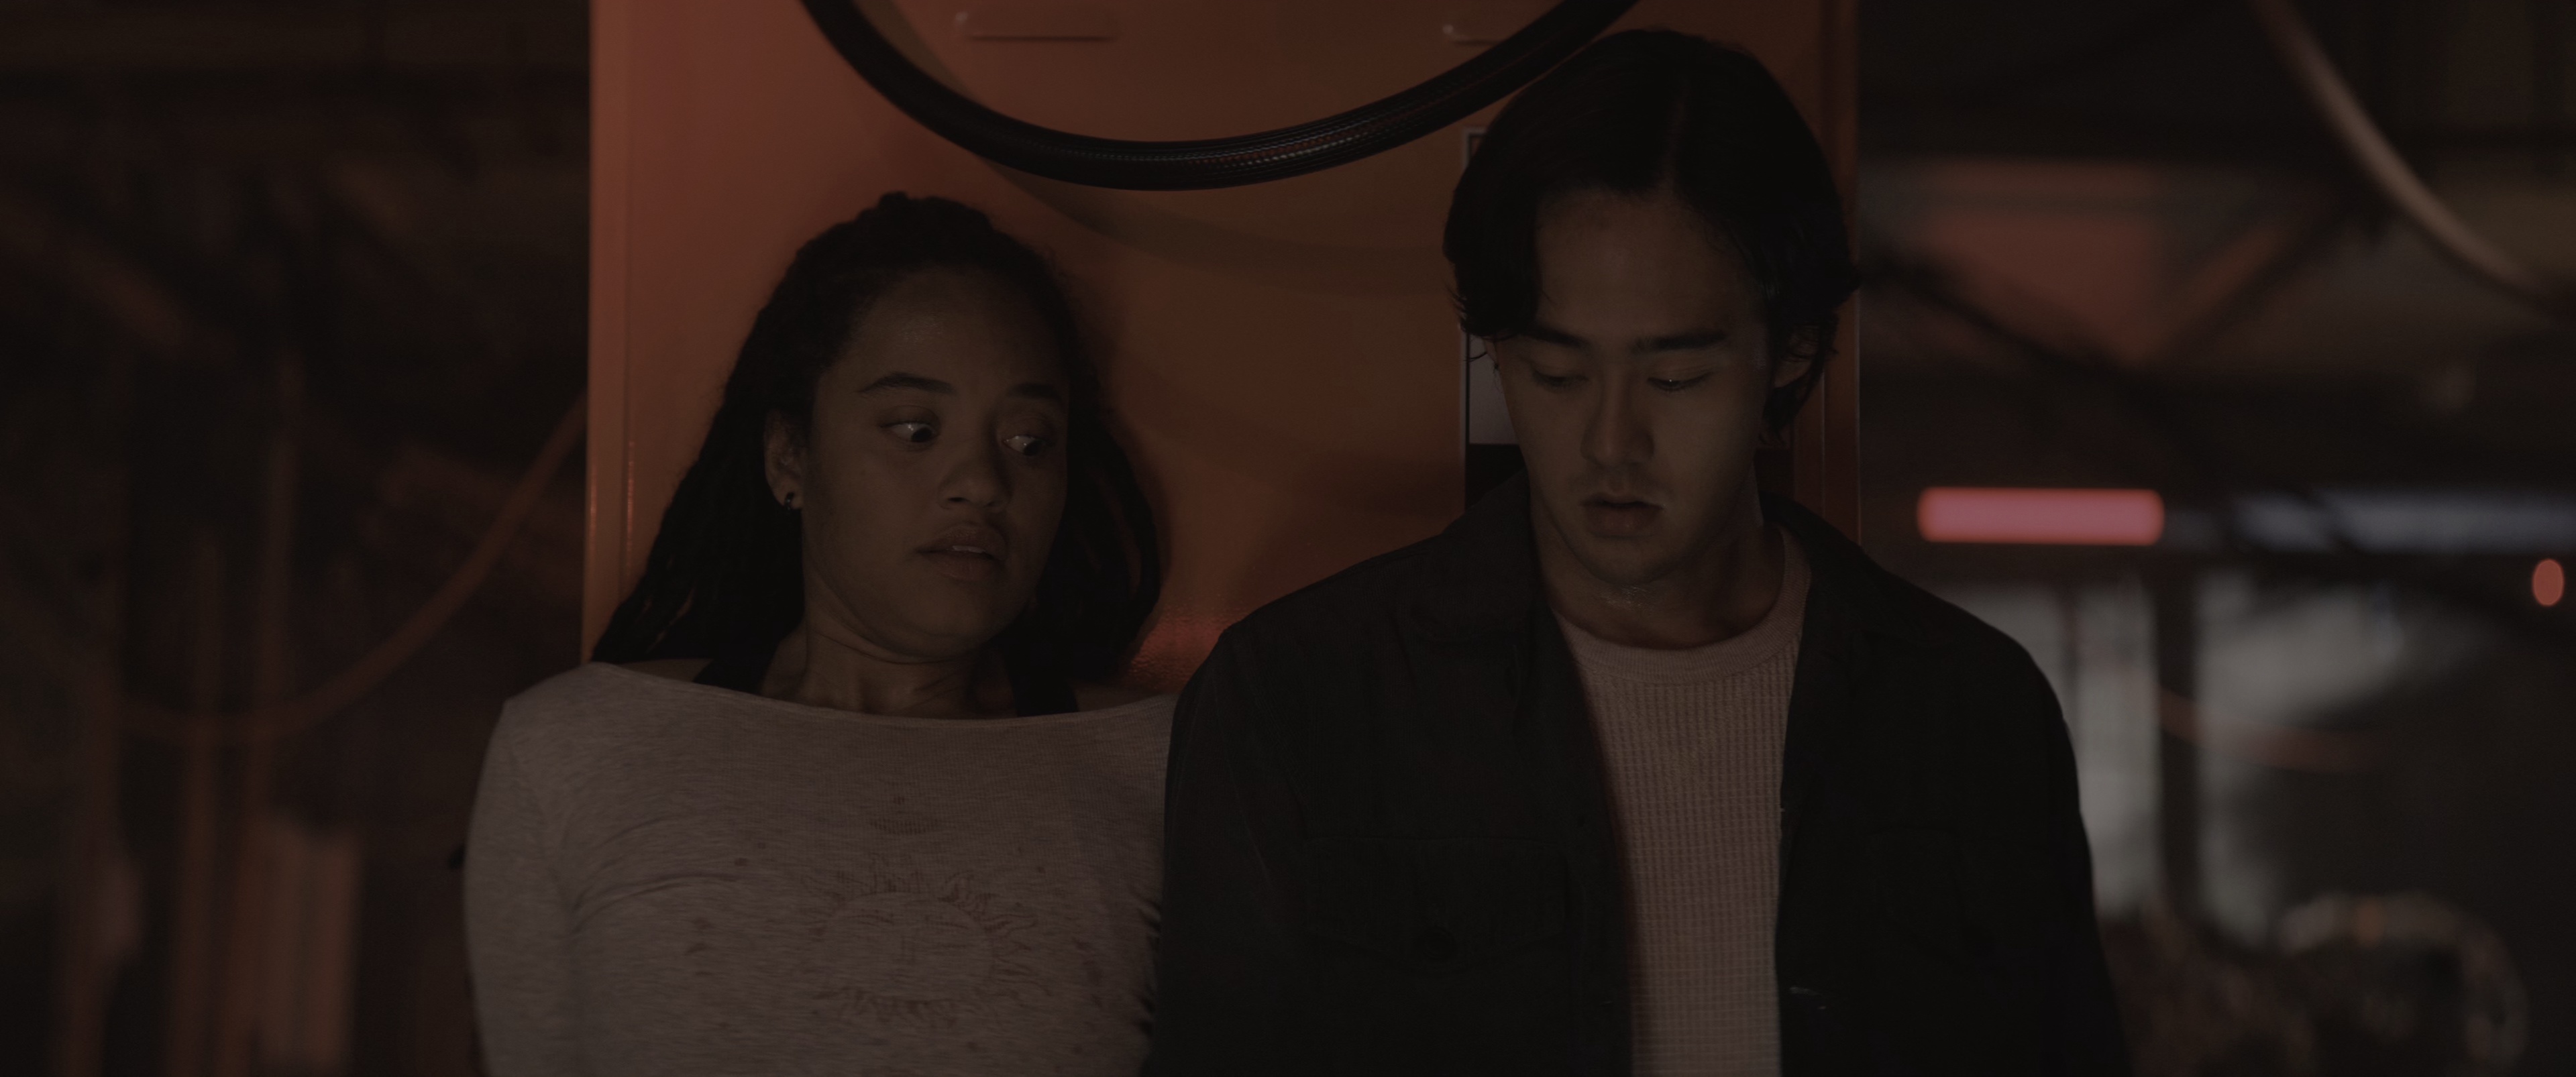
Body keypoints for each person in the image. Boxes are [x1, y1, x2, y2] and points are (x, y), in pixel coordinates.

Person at [1147, 31, 2127, 1076]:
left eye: (1674, 378)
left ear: (1791, 348)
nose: (1612, 443)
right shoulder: (1298, 701)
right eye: (1557, 373)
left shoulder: (1970, 713)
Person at [465, 194, 1169, 1076]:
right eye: (916, 430)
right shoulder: (572, 755)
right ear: (789, 457)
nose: (984, 482)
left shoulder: (1168, 770)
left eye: (1031, 441)